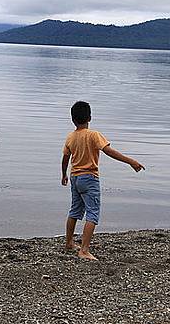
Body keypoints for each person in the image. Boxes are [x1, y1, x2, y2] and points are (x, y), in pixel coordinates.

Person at [61, 101, 145, 260]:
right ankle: (84, 250)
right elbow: (109, 151)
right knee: (92, 213)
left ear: (72, 119)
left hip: (75, 177)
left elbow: (65, 158)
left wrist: (63, 174)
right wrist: (131, 161)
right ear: (90, 118)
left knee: (74, 211)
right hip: (90, 178)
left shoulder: (70, 137)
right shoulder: (93, 135)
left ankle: (69, 243)